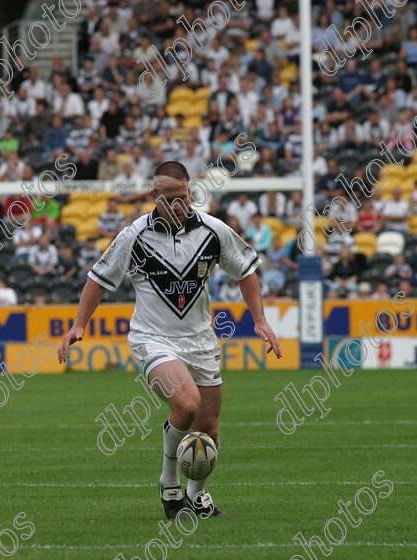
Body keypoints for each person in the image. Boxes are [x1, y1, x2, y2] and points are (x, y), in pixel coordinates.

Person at [56, 161, 282, 519]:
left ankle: (196, 494)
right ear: (153, 196)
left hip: (201, 342)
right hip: (153, 340)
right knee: (187, 405)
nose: (177, 205)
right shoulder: (133, 236)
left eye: (183, 196)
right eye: (169, 198)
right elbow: (98, 280)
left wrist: (260, 320)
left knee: (208, 428)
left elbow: (247, 270)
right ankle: (169, 482)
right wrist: (78, 325)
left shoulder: (213, 231)